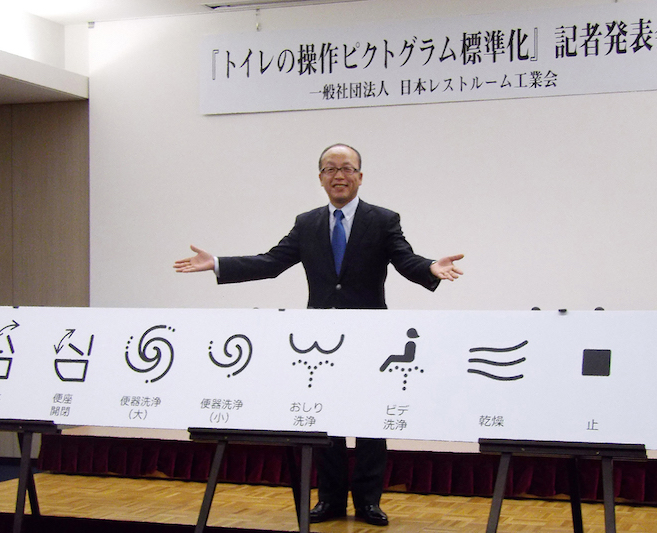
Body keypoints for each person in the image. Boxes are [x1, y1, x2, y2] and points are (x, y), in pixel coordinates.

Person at [174, 143, 464, 526]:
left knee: (370, 421)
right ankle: (329, 500)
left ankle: (367, 502)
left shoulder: (383, 220)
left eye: (346, 168)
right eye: (330, 169)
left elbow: (404, 260)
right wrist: (218, 264)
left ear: (360, 176)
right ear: (320, 178)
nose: (338, 175)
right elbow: (272, 262)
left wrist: (429, 268)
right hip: (320, 338)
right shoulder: (306, 222)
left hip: (370, 336)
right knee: (325, 420)